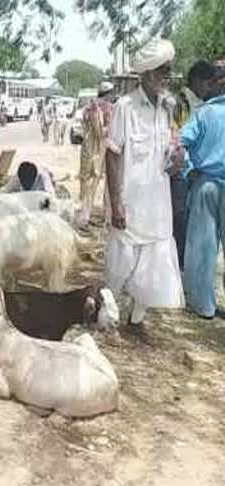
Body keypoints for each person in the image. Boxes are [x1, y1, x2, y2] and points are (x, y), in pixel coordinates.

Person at [105, 38, 185, 327]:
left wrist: (177, 160)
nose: (167, 77)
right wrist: (115, 203)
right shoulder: (125, 107)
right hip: (130, 202)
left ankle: (136, 318)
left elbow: (168, 157)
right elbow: (112, 156)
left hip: (157, 204)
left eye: (169, 71)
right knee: (120, 263)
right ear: (148, 73)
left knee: (153, 263)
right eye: (163, 71)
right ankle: (106, 316)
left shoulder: (168, 109)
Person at [179, 63, 225, 319]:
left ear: (208, 83)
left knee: (203, 248)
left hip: (205, 184)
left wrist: (188, 169)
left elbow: (180, 143)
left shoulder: (202, 114)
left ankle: (204, 306)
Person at [78, 81, 116, 228]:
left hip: (88, 150)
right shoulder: (107, 108)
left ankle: (85, 217)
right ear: (108, 93)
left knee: (88, 186)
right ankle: (107, 217)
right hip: (100, 150)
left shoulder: (89, 107)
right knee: (108, 184)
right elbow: (101, 132)